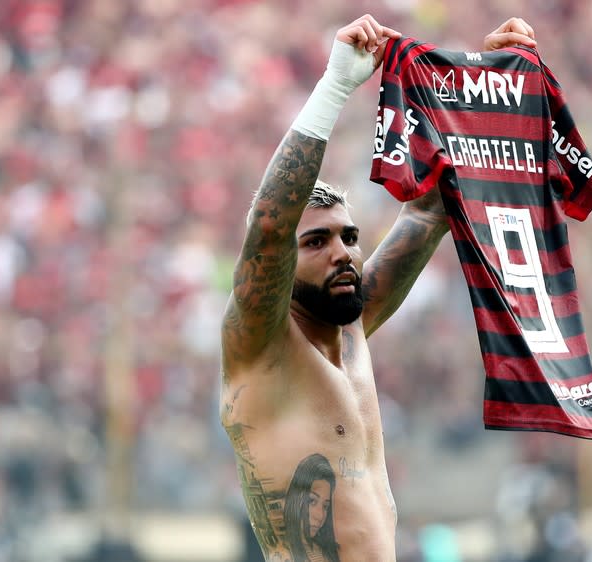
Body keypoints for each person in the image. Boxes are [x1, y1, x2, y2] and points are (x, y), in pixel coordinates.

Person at [220, 14, 537, 561]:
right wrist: (336, 86)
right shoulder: (259, 345)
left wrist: (487, 88)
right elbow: (271, 226)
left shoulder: (350, 332)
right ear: (279, 269)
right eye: (316, 242)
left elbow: (429, 210)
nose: (342, 252)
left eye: (348, 236)